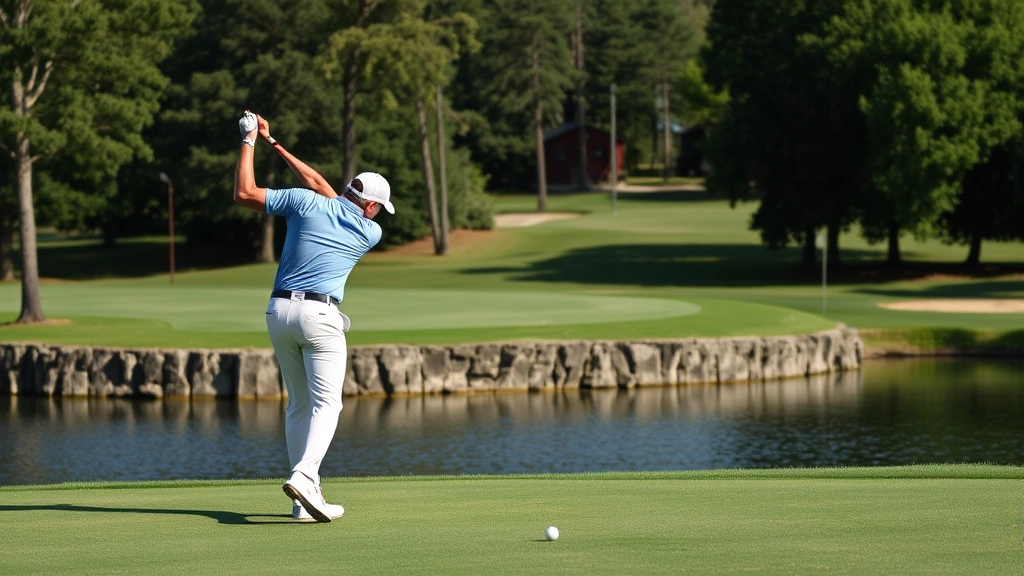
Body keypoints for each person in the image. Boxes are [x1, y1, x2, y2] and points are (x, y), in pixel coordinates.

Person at [233, 110, 394, 522]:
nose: (379, 216)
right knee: (330, 404)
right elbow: (323, 187)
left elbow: (247, 193)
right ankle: (305, 477)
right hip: (320, 317)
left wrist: (253, 139)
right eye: (379, 208)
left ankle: (303, 500)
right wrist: (268, 140)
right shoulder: (369, 232)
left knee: (299, 405)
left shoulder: (305, 203)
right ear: (371, 206)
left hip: (277, 312)